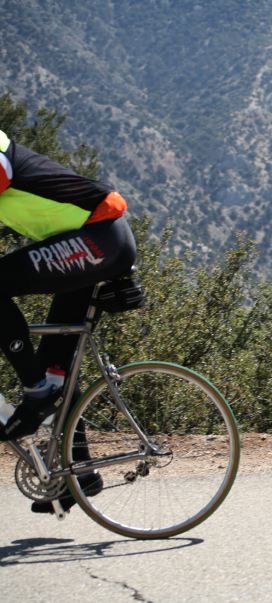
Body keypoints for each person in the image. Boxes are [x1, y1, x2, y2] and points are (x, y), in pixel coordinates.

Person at [0, 127, 137, 512]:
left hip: (98, 238)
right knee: (56, 363)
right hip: (90, 242)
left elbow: (1, 174)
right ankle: (77, 476)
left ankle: (35, 393)